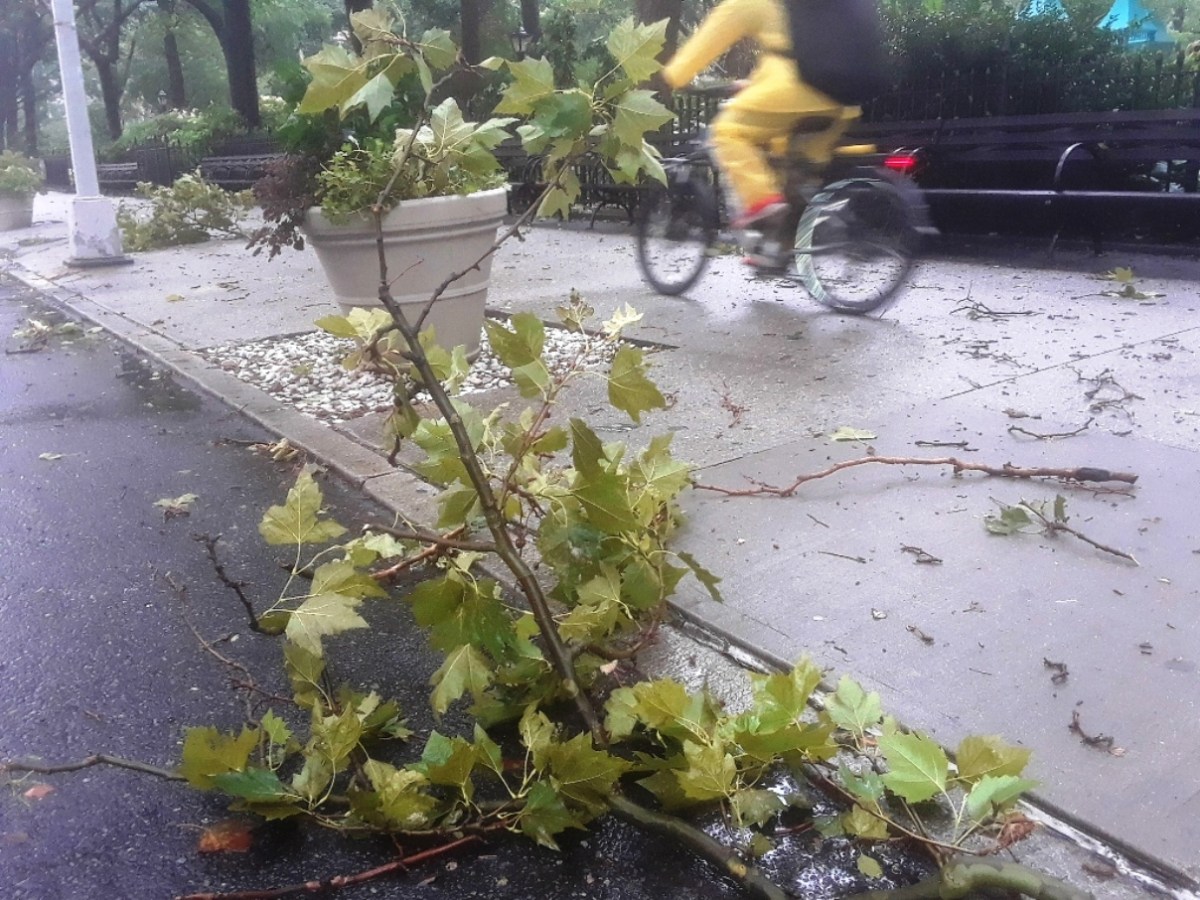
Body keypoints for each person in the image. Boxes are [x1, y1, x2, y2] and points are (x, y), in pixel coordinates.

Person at [660, 0, 859, 231]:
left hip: (800, 90)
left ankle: (761, 204)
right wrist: (754, 83)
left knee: (726, 132)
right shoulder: (812, 10)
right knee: (786, 167)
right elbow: (790, 52)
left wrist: (674, 76)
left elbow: (710, 38)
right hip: (843, 99)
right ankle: (774, 250)